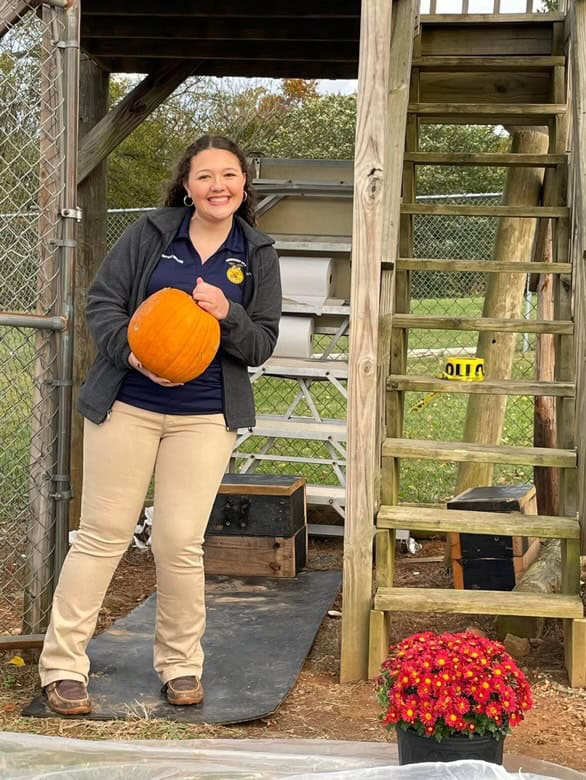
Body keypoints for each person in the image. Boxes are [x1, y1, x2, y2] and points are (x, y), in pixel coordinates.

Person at [38, 134, 282, 715]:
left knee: (179, 541)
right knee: (103, 534)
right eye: (205, 176)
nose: (217, 186)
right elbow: (103, 303)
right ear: (187, 185)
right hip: (128, 404)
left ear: (243, 184)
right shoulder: (152, 234)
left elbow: (263, 343)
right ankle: (63, 666)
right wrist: (134, 355)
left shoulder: (257, 252)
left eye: (228, 175)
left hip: (204, 417)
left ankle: (180, 665)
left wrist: (229, 315)